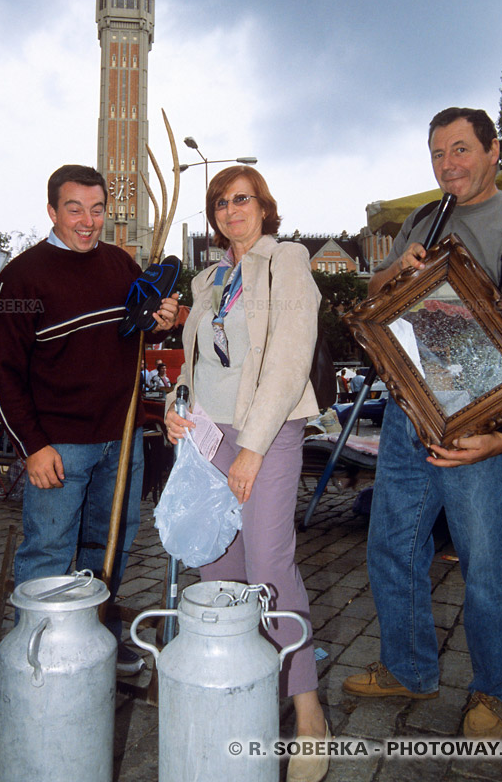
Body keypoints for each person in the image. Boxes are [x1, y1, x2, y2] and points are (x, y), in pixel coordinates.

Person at [342, 108, 502, 739]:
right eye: (438, 154)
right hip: (407, 414)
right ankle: (408, 668)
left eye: (462, 150)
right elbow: (376, 297)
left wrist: (500, 437)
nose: (449, 165)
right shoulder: (423, 219)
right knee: (392, 545)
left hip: (477, 429)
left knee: (485, 563)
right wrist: (395, 270)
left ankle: (494, 690)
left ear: (494, 151)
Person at [165, 166, 330, 782]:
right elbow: (193, 366)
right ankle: (243, 697)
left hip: (268, 431)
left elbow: (289, 355)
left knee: (268, 565)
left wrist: (254, 447)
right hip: (209, 436)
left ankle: (309, 716)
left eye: (244, 199)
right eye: (222, 202)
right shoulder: (208, 279)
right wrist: (174, 411)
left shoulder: (284, 261)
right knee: (218, 568)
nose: (233, 210)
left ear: (264, 207)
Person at [0, 164, 178, 671]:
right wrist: (32, 445)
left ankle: (95, 649)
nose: (88, 221)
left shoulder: (118, 264)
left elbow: (137, 331)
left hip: (122, 437)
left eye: (97, 210)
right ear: (52, 211)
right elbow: (4, 371)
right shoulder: (21, 278)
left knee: (107, 548)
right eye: (75, 209)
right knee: (49, 554)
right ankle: (39, 661)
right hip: (60, 444)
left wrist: (160, 322)